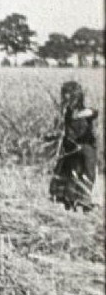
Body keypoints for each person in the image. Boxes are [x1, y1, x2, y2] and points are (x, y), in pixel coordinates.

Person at [49, 81, 98, 211]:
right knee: (72, 174)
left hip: (87, 147)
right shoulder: (64, 114)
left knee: (88, 174)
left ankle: (84, 202)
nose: (67, 98)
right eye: (65, 95)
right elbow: (59, 129)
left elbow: (93, 112)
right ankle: (71, 202)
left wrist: (79, 114)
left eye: (70, 95)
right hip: (71, 148)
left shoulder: (84, 111)